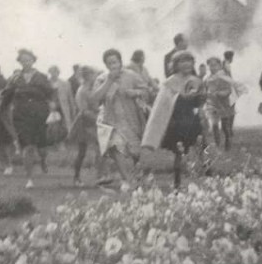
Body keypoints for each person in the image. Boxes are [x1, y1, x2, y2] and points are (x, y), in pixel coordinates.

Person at [143, 51, 205, 189]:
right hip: (176, 121)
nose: (186, 64)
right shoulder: (170, 82)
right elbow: (163, 104)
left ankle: (200, 176)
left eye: (189, 61)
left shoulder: (195, 80)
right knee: (179, 152)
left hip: (191, 119)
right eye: (182, 62)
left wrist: (200, 96)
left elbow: (198, 102)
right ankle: (177, 183)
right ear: (176, 65)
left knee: (198, 147)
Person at [0, 49, 53, 189]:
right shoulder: (14, 78)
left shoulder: (42, 77)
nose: (26, 62)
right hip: (21, 116)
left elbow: (50, 94)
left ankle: (43, 160)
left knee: (42, 148)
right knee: (27, 146)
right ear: (19, 62)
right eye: (23, 60)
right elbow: (6, 96)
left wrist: (53, 107)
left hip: (40, 115)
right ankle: (30, 179)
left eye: (28, 60)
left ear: (33, 60)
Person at [92, 49, 149, 185]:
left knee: (135, 151)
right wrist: (109, 81)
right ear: (106, 65)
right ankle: (127, 180)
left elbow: (146, 90)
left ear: (120, 62)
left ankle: (138, 174)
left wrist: (134, 92)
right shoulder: (101, 78)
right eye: (109, 63)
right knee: (114, 146)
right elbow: (95, 98)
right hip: (110, 119)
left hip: (131, 117)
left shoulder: (131, 75)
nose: (113, 65)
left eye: (115, 61)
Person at [70, 66, 103, 186]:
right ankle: (76, 177)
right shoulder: (82, 90)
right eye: (94, 75)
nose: (96, 77)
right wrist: (98, 118)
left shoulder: (94, 88)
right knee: (82, 151)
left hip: (95, 121)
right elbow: (83, 110)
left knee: (101, 149)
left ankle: (100, 176)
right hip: (84, 123)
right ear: (88, 76)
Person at [204, 57, 234, 150]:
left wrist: (220, 93)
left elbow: (228, 90)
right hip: (212, 104)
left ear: (220, 65)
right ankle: (217, 144)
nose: (212, 68)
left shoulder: (224, 76)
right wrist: (206, 96)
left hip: (223, 103)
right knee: (214, 124)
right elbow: (205, 89)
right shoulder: (207, 78)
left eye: (214, 65)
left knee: (225, 125)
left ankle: (227, 140)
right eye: (210, 66)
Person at [48, 65, 78, 147]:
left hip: (63, 107)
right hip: (52, 107)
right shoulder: (47, 83)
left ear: (58, 73)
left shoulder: (65, 83)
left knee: (64, 124)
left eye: (56, 72)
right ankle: (55, 142)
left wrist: (73, 108)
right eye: (52, 72)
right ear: (49, 73)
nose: (54, 74)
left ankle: (65, 142)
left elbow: (70, 97)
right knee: (53, 125)